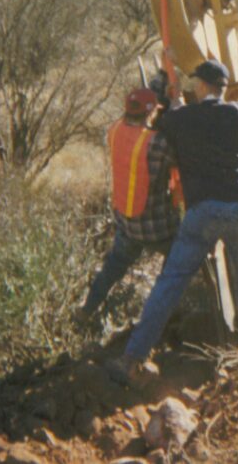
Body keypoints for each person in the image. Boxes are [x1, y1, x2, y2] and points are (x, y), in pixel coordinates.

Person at [108, 59, 238, 383]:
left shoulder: (182, 118)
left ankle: (131, 358)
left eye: (195, 83)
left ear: (203, 86)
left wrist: (168, 87)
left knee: (170, 282)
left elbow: (163, 119)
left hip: (202, 211)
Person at [75, 88, 181, 324]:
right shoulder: (156, 143)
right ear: (151, 112)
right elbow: (180, 158)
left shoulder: (113, 131)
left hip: (127, 222)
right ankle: (162, 316)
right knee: (182, 260)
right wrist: (176, 116)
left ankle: (86, 310)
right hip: (158, 229)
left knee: (113, 268)